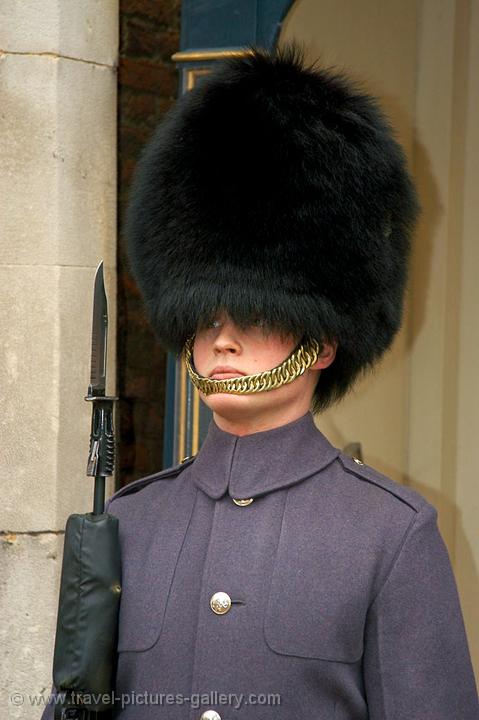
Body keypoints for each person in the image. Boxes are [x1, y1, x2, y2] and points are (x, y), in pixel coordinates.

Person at [42, 45, 479, 719]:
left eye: (251, 315)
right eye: (204, 317)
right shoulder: (130, 521)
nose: (220, 338)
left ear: (322, 340)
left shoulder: (389, 535)